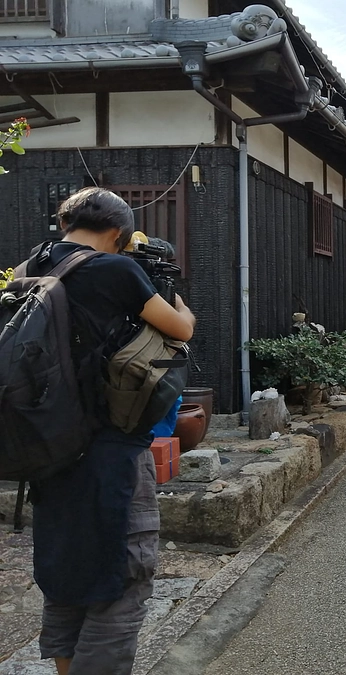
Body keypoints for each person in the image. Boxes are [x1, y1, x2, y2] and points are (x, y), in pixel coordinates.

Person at [26, 187, 196, 675]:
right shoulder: (116, 270)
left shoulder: (30, 271)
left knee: (66, 576)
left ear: (65, 224)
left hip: (48, 453)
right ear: (119, 234)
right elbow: (178, 329)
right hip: (110, 451)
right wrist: (180, 305)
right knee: (120, 582)